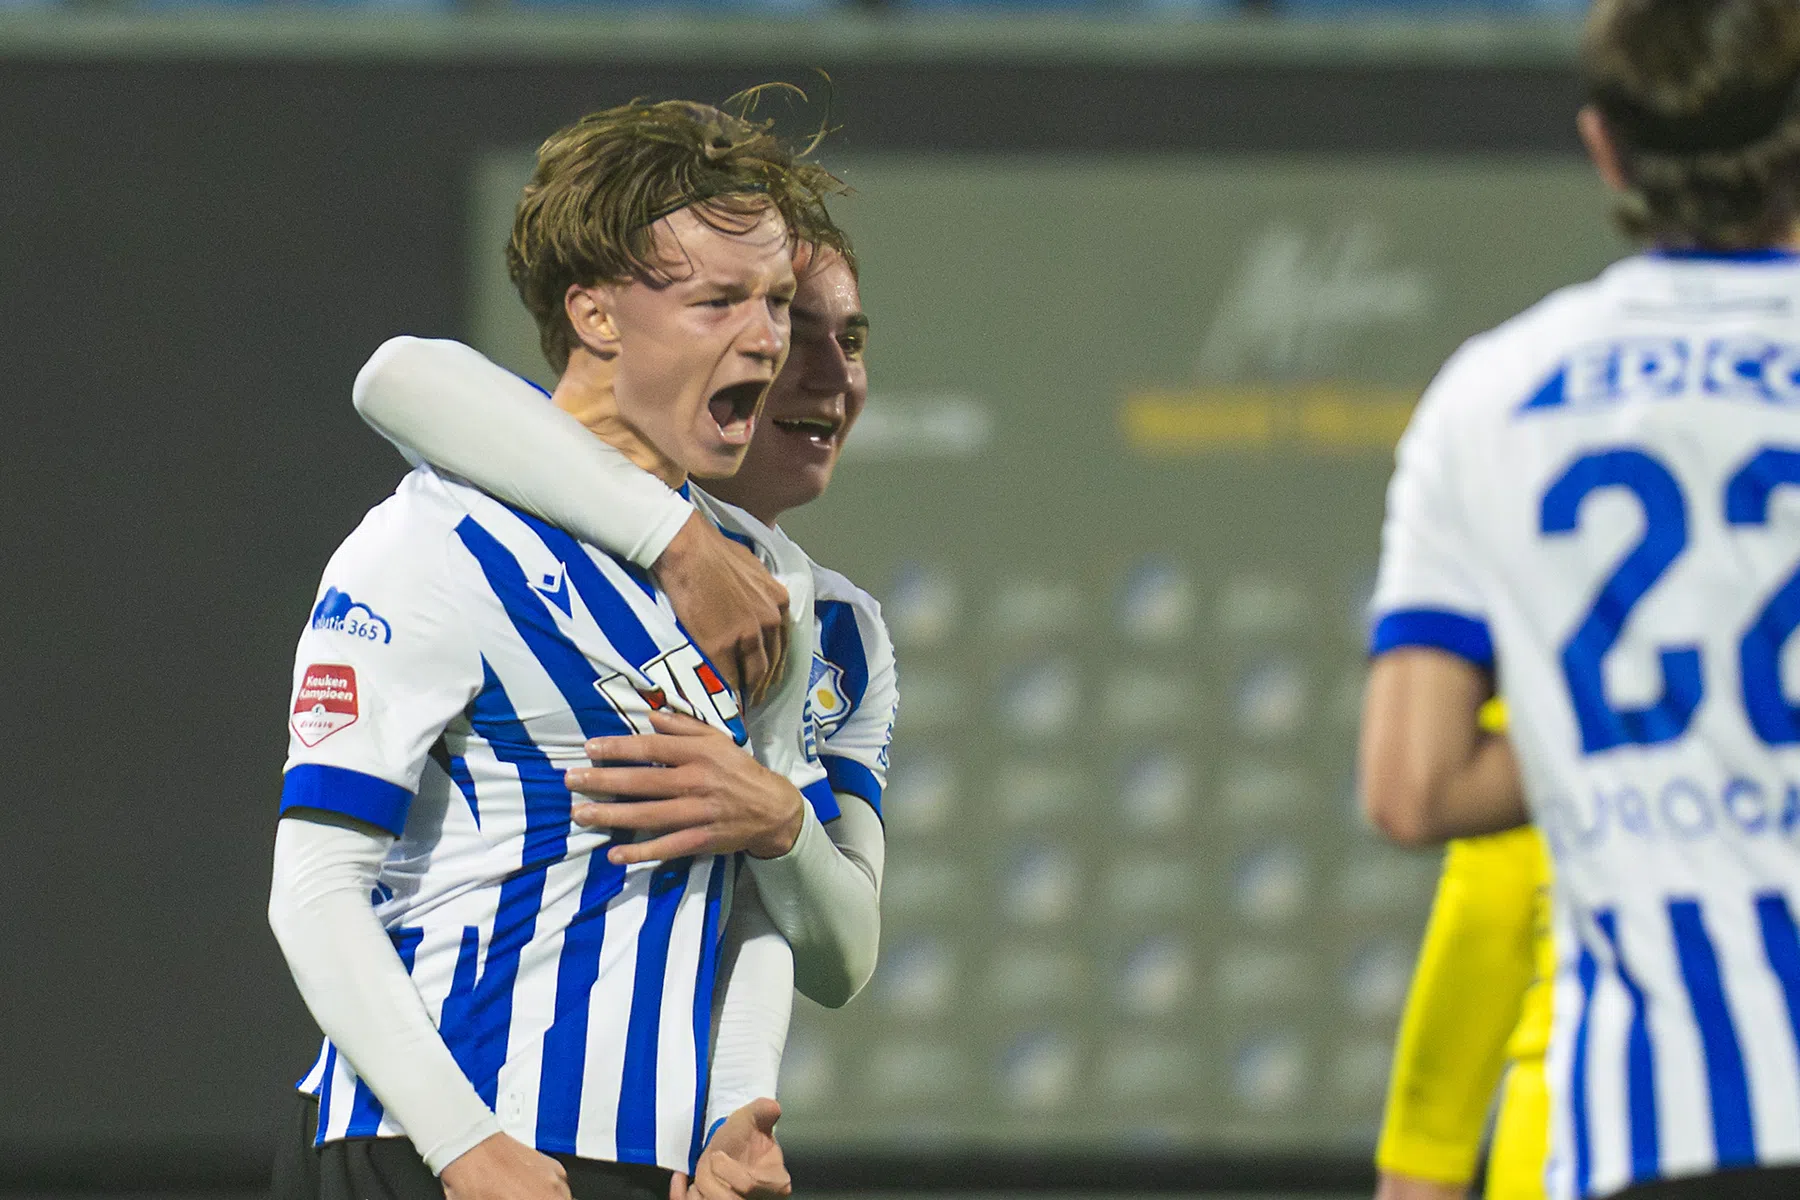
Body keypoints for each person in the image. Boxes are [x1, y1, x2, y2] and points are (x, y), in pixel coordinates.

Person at [268, 96, 851, 1200]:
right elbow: (314, 888)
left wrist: (733, 1110)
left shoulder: (773, 586)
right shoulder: (434, 543)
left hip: (650, 1165)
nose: (768, 339)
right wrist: (463, 1146)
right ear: (594, 313)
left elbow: (756, 902)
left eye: (776, 301)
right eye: (719, 299)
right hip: (434, 1148)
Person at [1360, 2, 1800, 1196]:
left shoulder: (1491, 396)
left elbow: (1413, 788)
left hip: (1649, 1125)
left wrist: (1626, 731)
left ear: (1606, 147)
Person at [349, 236, 891, 1011]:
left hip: (657, 1123)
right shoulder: (513, 518)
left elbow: (837, 954)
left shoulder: (840, 628)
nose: (831, 373)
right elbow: (395, 376)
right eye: (786, 325)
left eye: (853, 340)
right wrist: (679, 543)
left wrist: (781, 822)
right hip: (439, 1101)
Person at [1375, 705, 1555, 1200]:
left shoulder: (1574, 632)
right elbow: (1496, 894)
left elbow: (1493, 899)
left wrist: (1421, 1160)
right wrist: (1422, 1156)